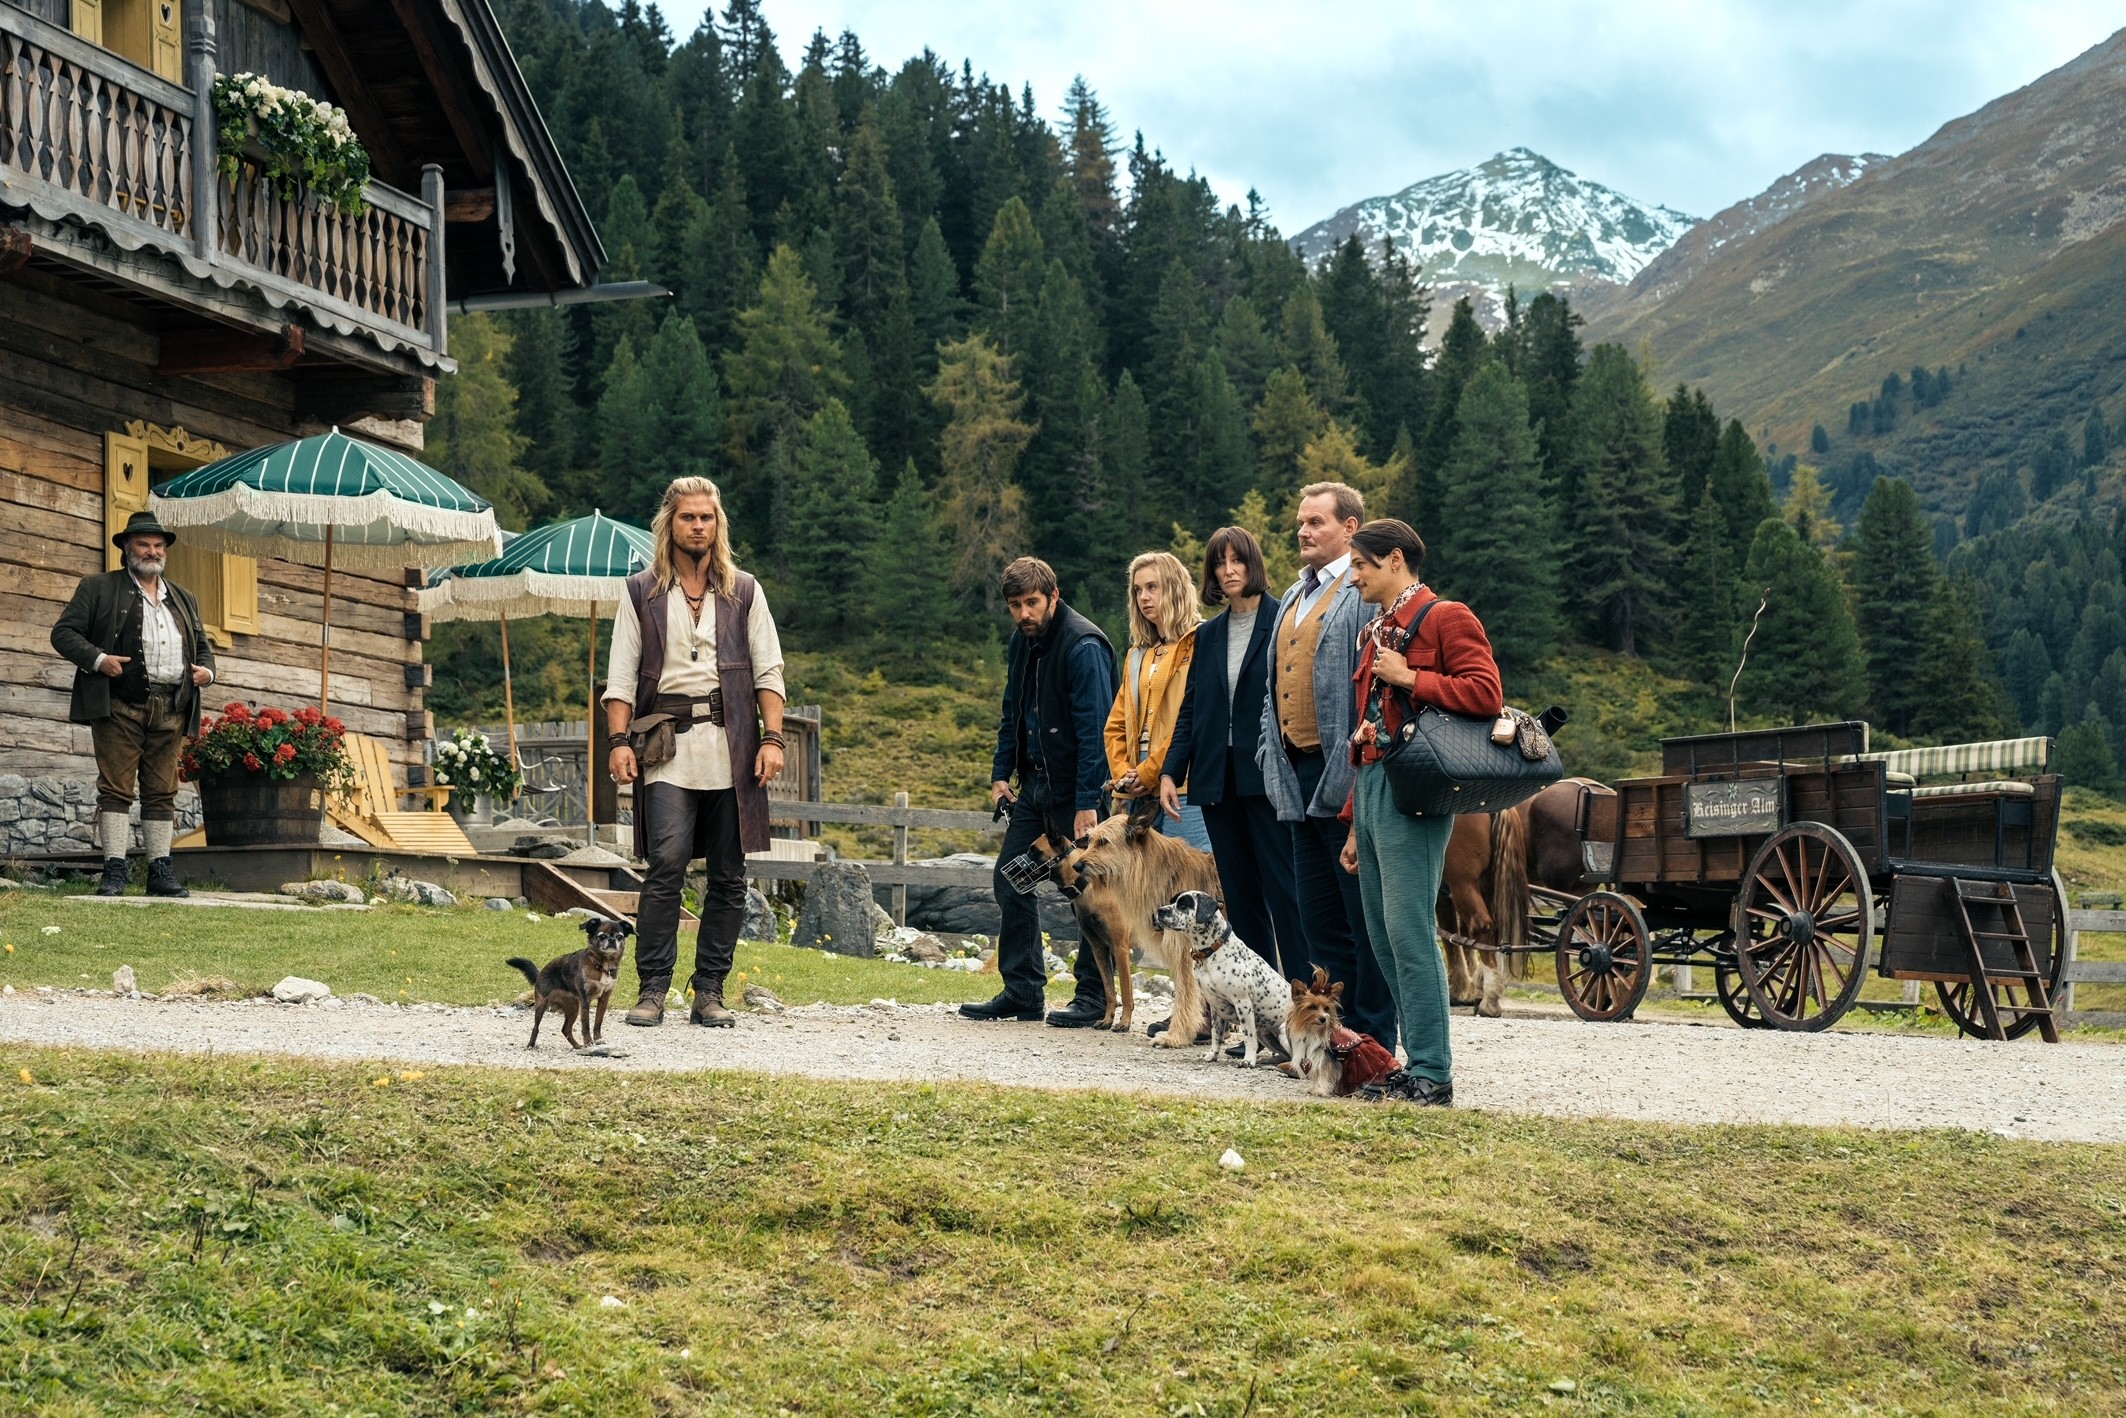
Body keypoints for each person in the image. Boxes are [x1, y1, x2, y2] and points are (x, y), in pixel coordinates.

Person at [603, 477, 786, 1029]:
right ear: (670, 524)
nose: (698, 526)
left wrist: (772, 738)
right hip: (667, 749)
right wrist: (618, 742)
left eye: (707, 517)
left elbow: (769, 669)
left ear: (718, 524)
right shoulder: (640, 592)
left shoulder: (744, 591)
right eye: (688, 517)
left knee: (729, 874)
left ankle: (709, 992)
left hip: (733, 747)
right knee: (666, 865)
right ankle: (653, 990)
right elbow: (620, 677)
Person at [1338, 519, 1503, 1108]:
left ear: (1395, 559)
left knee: (1409, 931)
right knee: (1384, 937)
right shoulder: (1377, 629)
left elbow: (1486, 693)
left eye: (1361, 565)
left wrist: (1411, 676)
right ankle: (1416, 1063)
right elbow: (1369, 729)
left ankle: (1434, 1071)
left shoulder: (1446, 617)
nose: (1353, 577)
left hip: (1416, 789)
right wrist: (1354, 820)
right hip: (1373, 785)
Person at [1257, 483, 1399, 1050]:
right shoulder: (1294, 594)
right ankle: (1340, 1040)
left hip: (1345, 774)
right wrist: (1269, 752)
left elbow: (1371, 691)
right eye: (1301, 521)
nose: (1303, 531)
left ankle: (1376, 1041)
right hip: (1295, 776)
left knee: (1361, 916)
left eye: (1316, 521)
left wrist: (1357, 768)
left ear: (1349, 528)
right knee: (1317, 919)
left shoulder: (1361, 592)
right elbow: (1272, 687)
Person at [963, 557, 1117, 1027]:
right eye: (1015, 605)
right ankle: (1023, 991)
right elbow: (1012, 710)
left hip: (1079, 789)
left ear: (1053, 596)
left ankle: (1094, 996)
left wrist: (1088, 802)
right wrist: (1001, 773)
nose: (1024, 613)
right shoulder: (1021, 641)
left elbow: (1096, 730)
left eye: (1032, 602)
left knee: (1091, 891)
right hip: (1034, 786)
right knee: (1011, 877)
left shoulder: (1084, 645)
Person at [1158, 527, 1305, 981]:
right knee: (1239, 898)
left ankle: (1302, 998)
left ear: (1252, 563)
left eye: (1236, 560)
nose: (1228, 570)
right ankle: (1260, 1004)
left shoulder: (1285, 620)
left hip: (1267, 777)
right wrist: (1170, 772)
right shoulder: (1207, 635)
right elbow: (1191, 708)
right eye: (1219, 563)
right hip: (1216, 779)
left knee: (1285, 892)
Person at [50, 511, 217, 899]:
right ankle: (114, 871)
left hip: (172, 706)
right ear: (127, 547)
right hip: (119, 705)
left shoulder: (184, 597)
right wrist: (98, 660)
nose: (152, 551)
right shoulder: (98, 587)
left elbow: (203, 649)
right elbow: (63, 633)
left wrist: (207, 673)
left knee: (162, 791)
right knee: (116, 789)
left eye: (158, 546)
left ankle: (160, 871)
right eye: (143, 544)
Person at [1104, 551, 1206, 849]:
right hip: (1137, 788)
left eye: (1152, 587)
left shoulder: (1201, 641)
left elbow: (1192, 719)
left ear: (1174, 588)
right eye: (1137, 590)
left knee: (1194, 873)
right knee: (1146, 879)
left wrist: (1149, 772)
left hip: (1184, 783)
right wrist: (1123, 774)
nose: (1143, 597)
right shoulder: (1138, 653)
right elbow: (1115, 725)